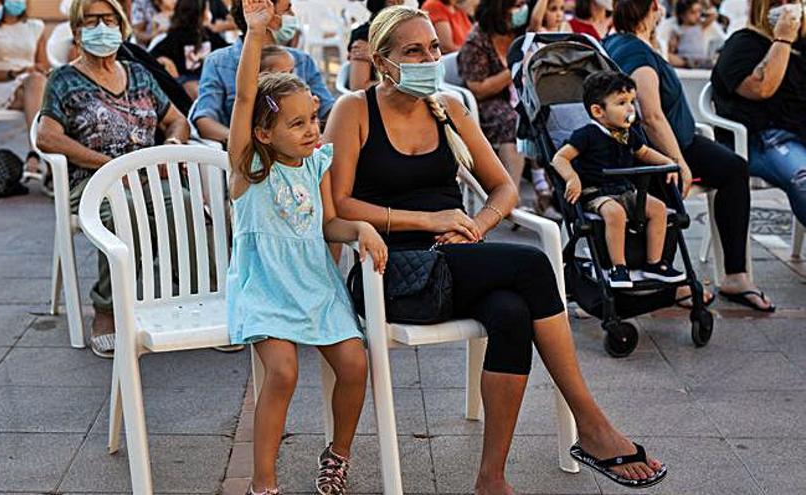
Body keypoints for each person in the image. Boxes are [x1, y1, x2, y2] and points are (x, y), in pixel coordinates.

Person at [328, 5, 668, 492]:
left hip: (458, 259)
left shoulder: (447, 106)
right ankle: (591, 425)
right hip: (391, 269)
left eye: (433, 48)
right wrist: (429, 219)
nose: (429, 58)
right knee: (530, 264)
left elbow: (503, 188)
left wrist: (477, 224)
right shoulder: (354, 110)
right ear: (383, 62)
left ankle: (491, 477)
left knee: (510, 312)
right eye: (413, 51)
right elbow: (340, 204)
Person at [225, 2, 387, 494]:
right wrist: (256, 34)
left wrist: (360, 230)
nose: (313, 131)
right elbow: (244, 96)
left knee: (356, 363)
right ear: (263, 133)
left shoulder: (316, 164)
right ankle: (263, 481)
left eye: (313, 119)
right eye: (297, 125)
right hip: (266, 286)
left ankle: (337, 454)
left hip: (314, 283)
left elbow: (328, 224)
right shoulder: (249, 166)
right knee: (283, 370)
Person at [36, 0, 192, 357]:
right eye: (90, 21)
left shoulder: (138, 74)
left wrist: (172, 144)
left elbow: (177, 119)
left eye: (108, 19)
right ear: (76, 31)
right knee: (126, 212)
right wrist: (107, 164)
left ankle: (187, 293)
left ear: (121, 28)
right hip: (94, 180)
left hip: (146, 175)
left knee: (185, 204)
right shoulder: (63, 79)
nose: (100, 27)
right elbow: (47, 136)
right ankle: (106, 309)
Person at [605, 0, 776, 312]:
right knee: (674, 180)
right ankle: (668, 279)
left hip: (683, 140)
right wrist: (680, 164)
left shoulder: (630, 42)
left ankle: (735, 275)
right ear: (655, 7)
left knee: (733, 169)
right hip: (661, 150)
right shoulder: (634, 51)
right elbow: (651, 117)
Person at [552, 71, 686, 287]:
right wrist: (572, 178)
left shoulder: (629, 133)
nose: (630, 108)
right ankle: (618, 267)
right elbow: (560, 158)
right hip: (596, 193)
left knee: (659, 209)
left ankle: (654, 263)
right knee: (615, 213)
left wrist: (669, 163)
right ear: (598, 111)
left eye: (632, 101)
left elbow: (644, 153)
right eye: (622, 103)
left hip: (625, 190)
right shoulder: (587, 134)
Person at [711, 0, 806, 237]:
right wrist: (782, 39)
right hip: (762, 139)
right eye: (777, 2)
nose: (786, 7)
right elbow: (762, 88)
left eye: (792, 2)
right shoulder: (742, 44)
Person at [191, 0, 334, 146]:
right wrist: (245, 144)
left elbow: (328, 110)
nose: (292, 15)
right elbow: (205, 121)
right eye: (287, 9)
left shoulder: (302, 60)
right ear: (266, 14)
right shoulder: (218, 62)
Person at [458, 0, 528, 188]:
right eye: (516, 5)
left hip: (515, 95)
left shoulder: (517, 32)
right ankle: (510, 193)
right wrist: (514, 69)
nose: (522, 10)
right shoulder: (477, 41)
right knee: (513, 121)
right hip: (484, 102)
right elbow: (478, 89)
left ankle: (547, 190)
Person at [0, 0, 49, 177]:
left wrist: (37, 69)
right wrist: (15, 73)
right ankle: (40, 155)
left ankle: (35, 155)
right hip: (1, 84)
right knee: (39, 88)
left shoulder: (36, 27)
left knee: (37, 80)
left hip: (31, 84)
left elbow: (43, 63)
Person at [150, 0, 228, 99]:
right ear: (200, 13)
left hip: (209, 83)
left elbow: (229, 50)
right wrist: (163, 60)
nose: (209, 13)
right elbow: (150, 57)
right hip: (185, 87)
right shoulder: (175, 37)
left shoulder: (209, 35)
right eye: (207, 9)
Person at [347, 0, 405, 91]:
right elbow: (358, 87)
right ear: (392, 2)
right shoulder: (363, 39)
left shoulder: (405, 31)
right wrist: (402, 83)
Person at [668, 0, 720, 68]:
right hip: (685, 58)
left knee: (715, 59)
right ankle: (688, 64)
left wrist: (704, 12)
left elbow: (714, 15)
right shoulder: (678, 29)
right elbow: (672, 48)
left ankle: (697, 65)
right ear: (682, 15)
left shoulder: (700, 26)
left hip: (701, 58)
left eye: (699, 12)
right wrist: (672, 45)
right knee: (670, 57)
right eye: (693, 12)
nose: (697, 15)